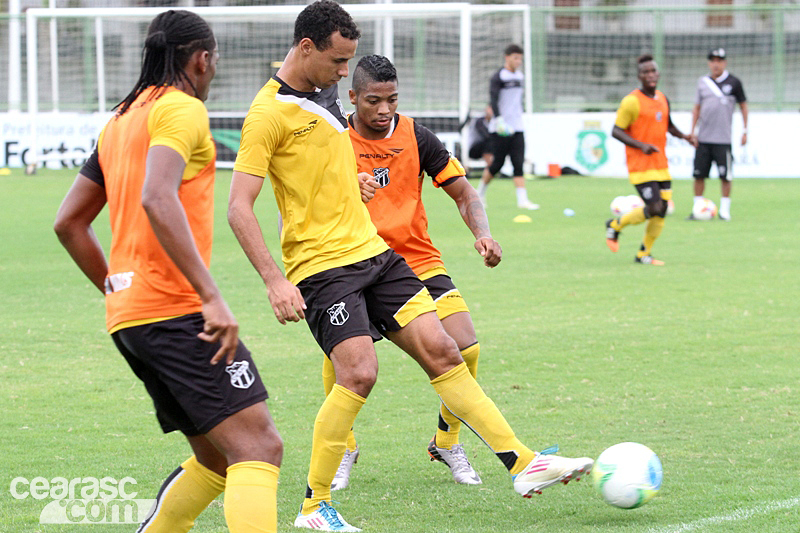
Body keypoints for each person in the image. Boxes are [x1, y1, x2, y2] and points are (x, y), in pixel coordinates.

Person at [227, 2, 592, 531]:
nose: (343, 72)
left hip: (374, 252)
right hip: (321, 266)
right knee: (359, 372)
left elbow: (324, 164)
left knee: (446, 351)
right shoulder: (267, 114)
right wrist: (273, 280)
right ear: (305, 48)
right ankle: (313, 507)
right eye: (337, 61)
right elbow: (239, 206)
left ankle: (522, 462)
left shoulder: (325, 93)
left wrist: (350, 181)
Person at [53, 11, 282, 533]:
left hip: (132, 317)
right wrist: (210, 295)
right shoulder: (181, 109)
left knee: (218, 460)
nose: (214, 69)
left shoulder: (121, 118)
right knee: (258, 447)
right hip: (176, 312)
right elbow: (157, 197)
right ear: (201, 59)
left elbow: (69, 223)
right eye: (214, 60)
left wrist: (116, 287)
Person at [323, 54, 501, 491]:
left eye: (392, 99)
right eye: (374, 101)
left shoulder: (417, 136)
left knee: (466, 346)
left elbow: (464, 193)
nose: (384, 110)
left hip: (416, 260)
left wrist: (483, 234)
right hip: (353, 261)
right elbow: (305, 199)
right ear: (353, 97)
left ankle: (446, 441)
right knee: (343, 360)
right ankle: (343, 446)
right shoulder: (332, 138)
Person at [605, 54, 697, 266]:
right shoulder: (631, 102)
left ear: (658, 74)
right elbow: (616, 131)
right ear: (639, 76)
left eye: (653, 71)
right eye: (645, 72)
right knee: (655, 207)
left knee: (662, 211)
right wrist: (641, 145)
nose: (650, 75)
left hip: (661, 165)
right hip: (640, 166)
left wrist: (685, 137)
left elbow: (668, 125)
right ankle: (615, 225)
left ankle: (643, 253)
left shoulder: (662, 99)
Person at [688, 47, 748, 221]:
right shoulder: (703, 82)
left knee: (726, 176)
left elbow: (743, 106)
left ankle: (724, 211)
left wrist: (745, 131)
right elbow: (696, 108)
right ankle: (697, 208)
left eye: (719, 61)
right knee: (699, 175)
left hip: (723, 139)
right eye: (713, 61)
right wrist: (692, 132)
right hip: (703, 138)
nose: (716, 64)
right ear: (709, 63)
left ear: (725, 62)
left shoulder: (734, 82)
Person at [477, 44, 538, 211]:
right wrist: (499, 120)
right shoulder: (499, 77)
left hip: (517, 127)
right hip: (500, 128)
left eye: (520, 59)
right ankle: (479, 193)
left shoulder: (520, 76)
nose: (518, 61)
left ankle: (523, 200)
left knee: (518, 162)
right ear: (507, 57)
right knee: (497, 164)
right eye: (515, 58)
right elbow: (494, 99)